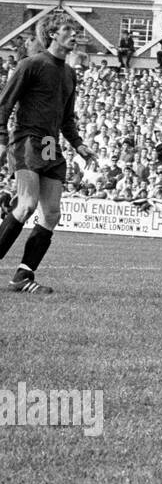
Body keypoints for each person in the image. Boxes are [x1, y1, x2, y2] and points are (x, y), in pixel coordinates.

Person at [0, 19, 99, 293]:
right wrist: (1, 139)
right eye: (69, 30)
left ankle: (22, 276)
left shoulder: (69, 73)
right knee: (27, 204)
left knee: (52, 213)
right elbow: (4, 104)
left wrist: (79, 145)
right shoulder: (31, 64)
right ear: (52, 34)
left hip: (49, 144)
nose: (75, 35)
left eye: (76, 31)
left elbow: (67, 117)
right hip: (27, 140)